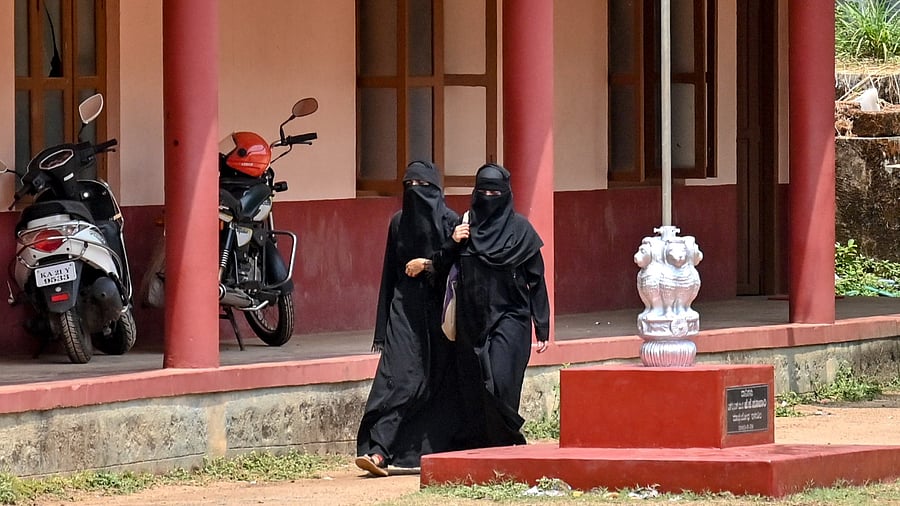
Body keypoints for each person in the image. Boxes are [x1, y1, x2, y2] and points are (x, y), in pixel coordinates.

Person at [355, 161, 463, 477]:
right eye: (410, 187)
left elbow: (459, 269)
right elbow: (390, 272)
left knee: (434, 382)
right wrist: (384, 321)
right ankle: (378, 451)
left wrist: (429, 264)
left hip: (441, 312)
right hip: (405, 308)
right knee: (398, 378)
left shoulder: (450, 223)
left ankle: (426, 451)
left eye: (423, 188)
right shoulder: (399, 222)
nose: (416, 194)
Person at [452, 163, 550, 449]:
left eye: (495, 191)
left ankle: (507, 440)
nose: (489, 197)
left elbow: (536, 280)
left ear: (506, 194)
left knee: (503, 380)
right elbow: (446, 266)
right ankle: (488, 445)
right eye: (483, 191)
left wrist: (541, 325)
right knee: (476, 385)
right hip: (472, 319)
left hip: (512, 316)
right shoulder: (465, 227)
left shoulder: (521, 230)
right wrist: (452, 242)